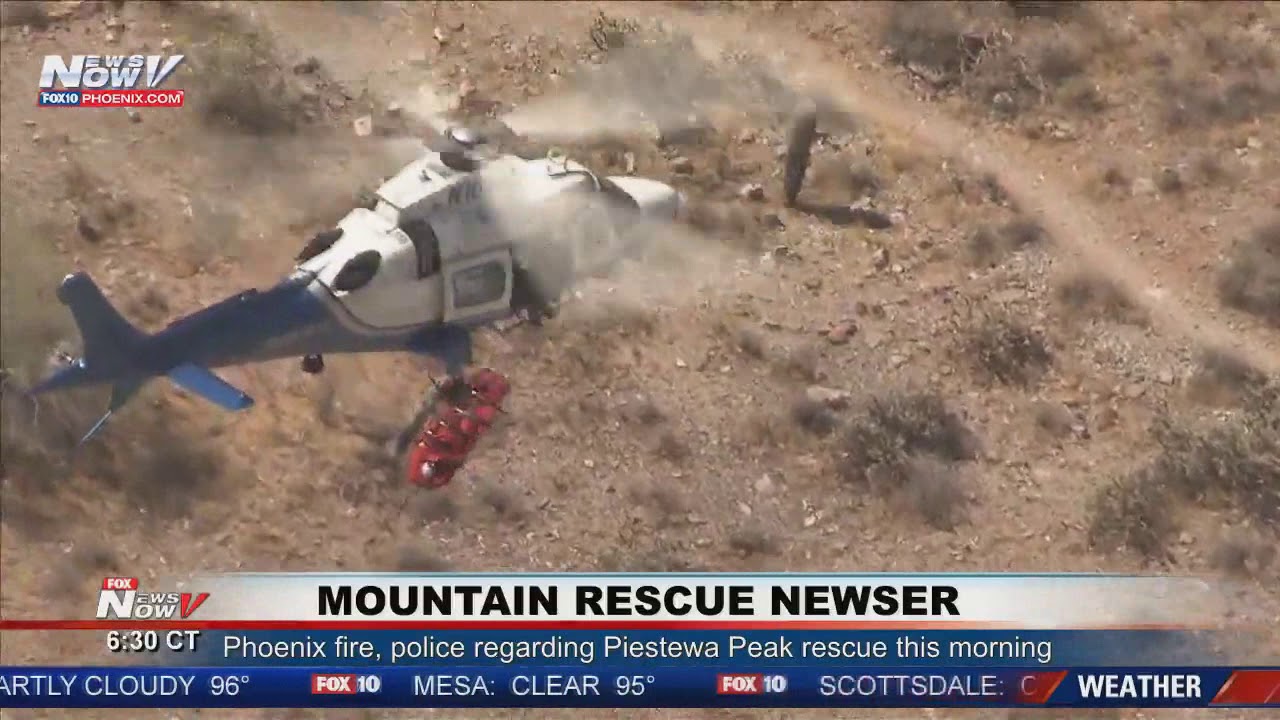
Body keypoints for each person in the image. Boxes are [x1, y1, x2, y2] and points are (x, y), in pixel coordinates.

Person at [403, 368, 510, 488]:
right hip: (456, 433)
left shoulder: (425, 452)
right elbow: (460, 455)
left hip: (450, 423)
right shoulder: (443, 466)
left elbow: (429, 431)